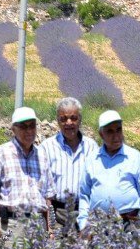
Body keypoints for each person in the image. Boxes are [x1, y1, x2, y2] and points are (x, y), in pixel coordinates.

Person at [0, 107, 54, 243]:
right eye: (23, 127)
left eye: (32, 126)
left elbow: (48, 197)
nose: (29, 131)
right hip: (11, 226)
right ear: (13, 129)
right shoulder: (1, 152)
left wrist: (50, 228)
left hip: (38, 225)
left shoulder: (42, 155)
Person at [77, 110, 140, 232]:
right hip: (98, 225)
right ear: (101, 134)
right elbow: (84, 195)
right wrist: (83, 224)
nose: (116, 135)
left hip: (129, 224)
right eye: (110, 131)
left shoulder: (135, 158)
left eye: (118, 130)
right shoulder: (92, 160)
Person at [40, 97, 99, 233]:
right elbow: (43, 187)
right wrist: (49, 224)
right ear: (58, 121)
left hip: (84, 213)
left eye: (73, 118)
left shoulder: (92, 147)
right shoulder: (47, 147)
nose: (69, 123)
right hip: (57, 213)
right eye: (63, 119)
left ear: (80, 119)